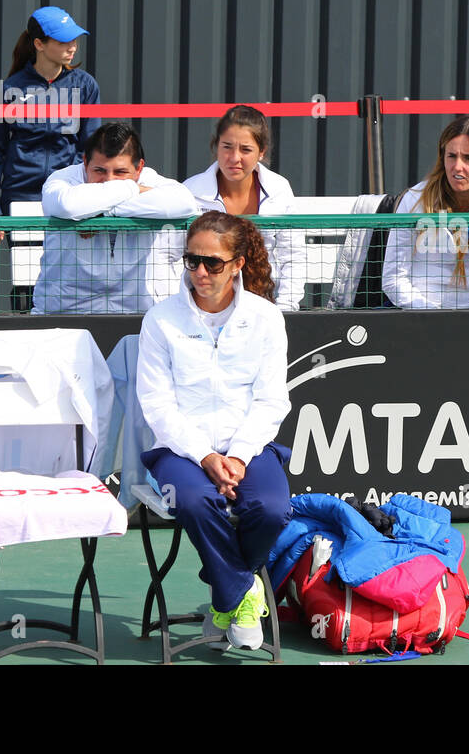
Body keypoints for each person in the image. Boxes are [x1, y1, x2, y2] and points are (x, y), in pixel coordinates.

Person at [136, 210, 291, 651]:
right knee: (193, 500)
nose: (200, 272)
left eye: (213, 263)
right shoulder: (160, 320)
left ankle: (225, 596)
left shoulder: (266, 317)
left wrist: (238, 456)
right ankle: (242, 592)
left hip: (249, 449)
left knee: (274, 509)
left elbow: (270, 401)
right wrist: (205, 456)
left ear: (239, 263)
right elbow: (157, 406)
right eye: (192, 261)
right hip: (180, 453)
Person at [33, 122, 198, 314]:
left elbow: (185, 203)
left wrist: (98, 211)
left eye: (120, 172)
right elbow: (67, 206)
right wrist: (131, 189)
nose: (109, 181)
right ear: (85, 162)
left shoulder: (152, 180)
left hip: (142, 315)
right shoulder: (62, 179)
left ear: (139, 169)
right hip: (64, 313)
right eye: (100, 171)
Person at [0, 6, 101, 233]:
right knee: (26, 269)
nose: (72, 47)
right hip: (19, 197)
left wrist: (91, 204)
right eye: (64, 41)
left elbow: (92, 150)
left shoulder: (86, 85)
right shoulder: (10, 88)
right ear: (39, 45)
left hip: (69, 196)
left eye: (74, 40)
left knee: (67, 269)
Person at [382, 116, 469, 309]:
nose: (458, 167)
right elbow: (393, 278)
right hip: (418, 314)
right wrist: (431, 314)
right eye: (452, 156)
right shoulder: (415, 199)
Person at [184, 105, 305, 311]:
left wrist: (284, 310)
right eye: (227, 146)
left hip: (266, 303)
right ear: (216, 146)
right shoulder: (190, 191)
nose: (234, 158)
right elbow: (176, 258)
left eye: (246, 149)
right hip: (203, 305)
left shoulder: (279, 188)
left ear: (261, 152)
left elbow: (292, 256)